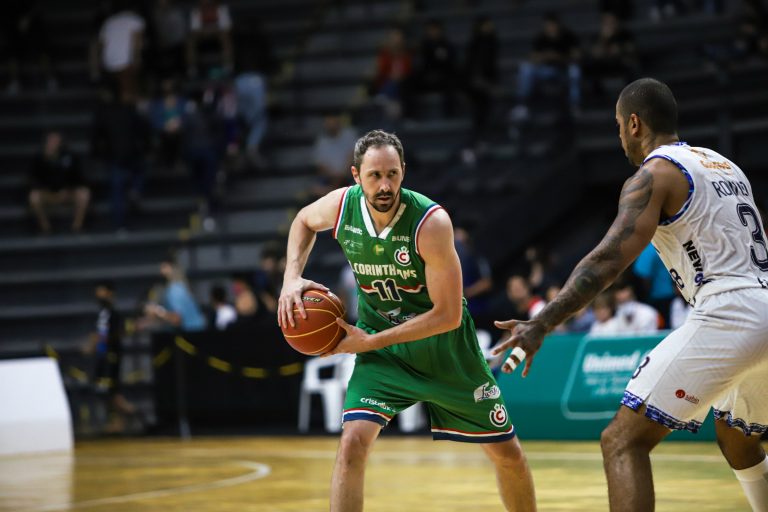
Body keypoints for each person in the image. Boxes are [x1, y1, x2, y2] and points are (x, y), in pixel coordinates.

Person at [493, 78, 768, 511]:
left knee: (621, 441)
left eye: (619, 125)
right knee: (738, 438)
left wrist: (542, 322)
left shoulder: (654, 174)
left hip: (729, 310)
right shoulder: (725, 166)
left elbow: (607, 260)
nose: (619, 136)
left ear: (635, 124)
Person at [278, 130, 536, 511]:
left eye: (392, 174)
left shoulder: (430, 223)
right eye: (374, 175)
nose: (385, 185)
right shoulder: (342, 207)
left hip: (446, 352)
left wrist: (369, 342)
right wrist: (291, 278)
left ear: (403, 171)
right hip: (385, 356)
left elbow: (448, 315)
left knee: (508, 455)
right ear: (356, 175)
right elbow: (303, 220)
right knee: (351, 444)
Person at [82, 281, 137, 433]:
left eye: (102, 291)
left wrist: (94, 343)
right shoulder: (103, 313)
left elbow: (109, 334)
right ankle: (122, 416)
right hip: (104, 355)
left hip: (111, 355)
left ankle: (126, 414)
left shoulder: (112, 314)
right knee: (106, 389)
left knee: (111, 389)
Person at [28, 132, 91, 234]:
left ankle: (77, 226)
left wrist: (68, 189)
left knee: (84, 193)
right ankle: (45, 227)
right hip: (48, 193)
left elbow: (79, 177)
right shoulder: (39, 158)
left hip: (67, 193)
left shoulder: (70, 157)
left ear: (61, 143)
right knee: (33, 196)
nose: (53, 143)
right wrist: (47, 188)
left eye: (56, 141)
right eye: (51, 141)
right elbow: (33, 179)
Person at [144, 254, 207, 332]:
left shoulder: (174, 291)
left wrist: (158, 312)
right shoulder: (179, 288)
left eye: (163, 267)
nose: (161, 272)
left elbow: (176, 319)